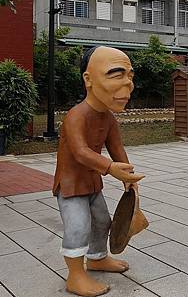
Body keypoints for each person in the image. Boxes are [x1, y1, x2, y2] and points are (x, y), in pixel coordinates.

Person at [53, 46, 144, 296]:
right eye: (117, 74)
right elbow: (81, 152)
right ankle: (74, 275)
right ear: (88, 79)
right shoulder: (76, 116)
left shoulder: (108, 117)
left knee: (102, 222)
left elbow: (116, 147)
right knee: (78, 226)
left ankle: (97, 258)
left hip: (92, 183)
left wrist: (129, 177)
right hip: (71, 186)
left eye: (130, 76)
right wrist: (112, 169)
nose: (128, 84)